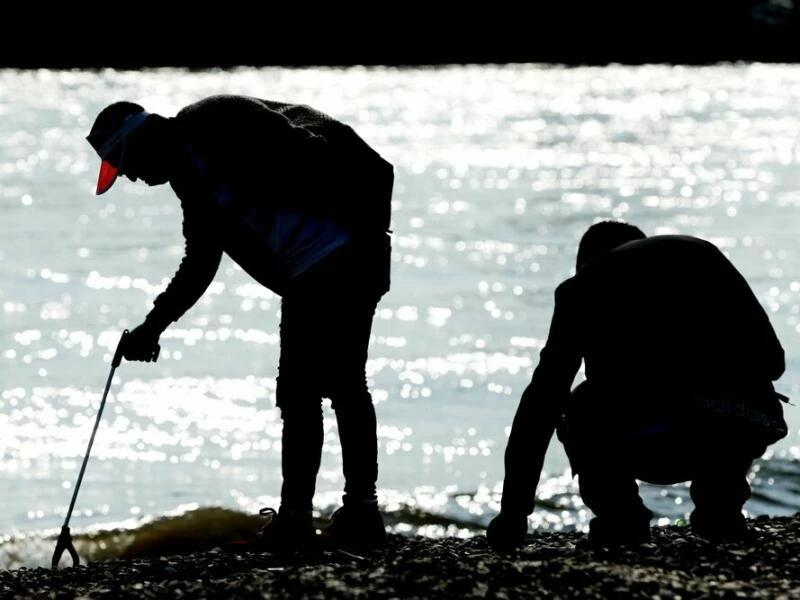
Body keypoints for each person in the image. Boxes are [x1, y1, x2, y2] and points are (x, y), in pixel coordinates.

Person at [86, 95, 394, 554]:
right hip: (315, 269)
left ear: (142, 138)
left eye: (124, 163)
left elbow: (310, 148)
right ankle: (356, 517)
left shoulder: (214, 118)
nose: (130, 176)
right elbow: (200, 263)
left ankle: (303, 522)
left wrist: (343, 227)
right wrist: (154, 325)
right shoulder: (191, 184)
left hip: (340, 256)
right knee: (334, 386)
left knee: (309, 391)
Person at [487, 220, 789, 551]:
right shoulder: (701, 253)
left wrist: (513, 513)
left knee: (577, 405)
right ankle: (721, 510)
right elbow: (773, 362)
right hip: (737, 425)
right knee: (742, 394)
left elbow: (540, 405)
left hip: (650, 433)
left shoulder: (581, 289)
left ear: (585, 263)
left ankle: (621, 519)